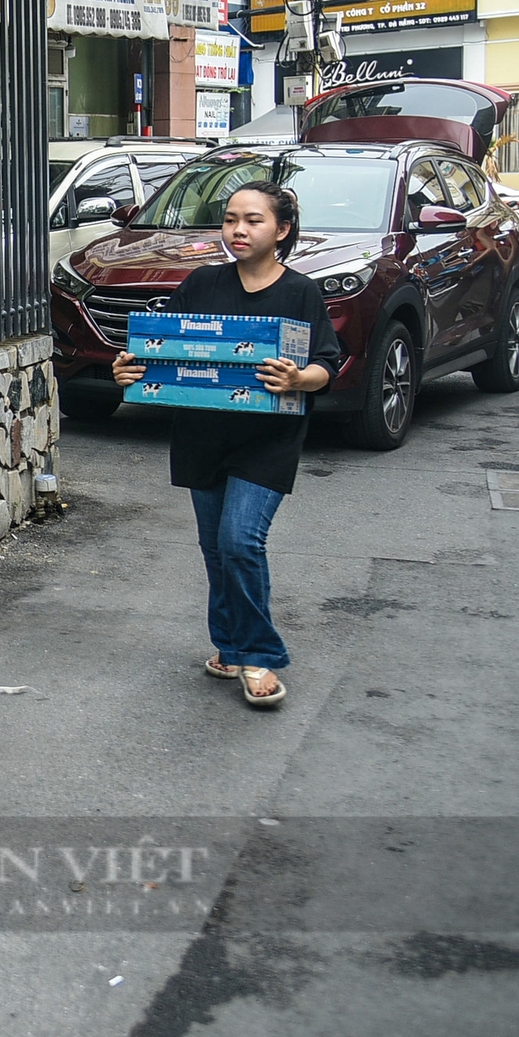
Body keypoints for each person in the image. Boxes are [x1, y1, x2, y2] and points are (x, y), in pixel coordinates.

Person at [111, 180, 342, 709]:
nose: (238, 229)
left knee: (241, 541)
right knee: (215, 548)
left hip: (269, 438)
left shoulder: (300, 292)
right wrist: (128, 369)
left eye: (253, 220)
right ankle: (229, 646)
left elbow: (327, 363)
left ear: (281, 230)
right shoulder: (201, 282)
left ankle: (259, 654)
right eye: (230, 218)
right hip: (202, 435)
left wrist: (298, 380)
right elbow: (160, 349)